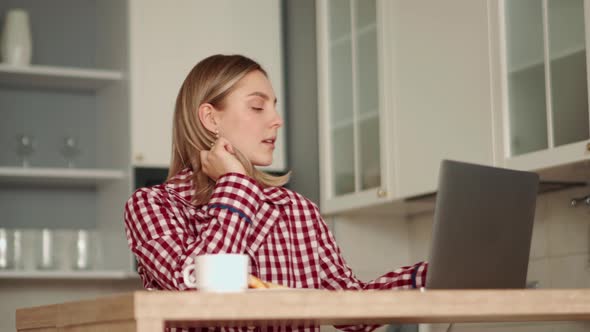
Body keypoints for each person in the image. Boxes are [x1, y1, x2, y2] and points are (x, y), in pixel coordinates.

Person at [124, 54, 428, 332]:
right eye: (258, 107)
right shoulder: (152, 205)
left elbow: (348, 309)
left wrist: (429, 276)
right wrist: (235, 183)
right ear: (211, 118)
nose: (276, 120)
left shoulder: (298, 210)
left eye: (274, 106)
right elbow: (199, 293)